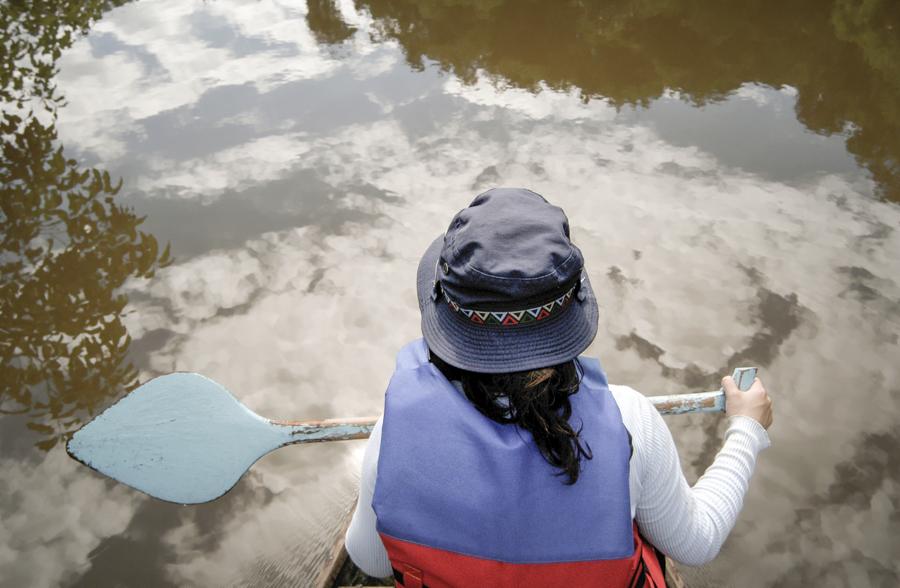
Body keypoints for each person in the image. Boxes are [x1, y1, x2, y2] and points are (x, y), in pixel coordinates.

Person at [345, 188, 773, 587]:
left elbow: (373, 561)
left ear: (445, 318)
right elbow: (696, 544)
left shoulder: (392, 434)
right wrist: (747, 431)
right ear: (569, 316)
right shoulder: (630, 419)